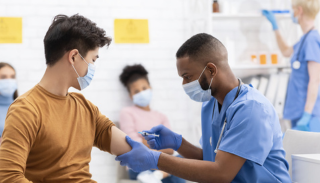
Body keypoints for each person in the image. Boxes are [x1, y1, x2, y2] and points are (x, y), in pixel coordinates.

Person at [115, 33, 291, 182]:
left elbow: (221, 173)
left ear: (211, 70)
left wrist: (157, 160)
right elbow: (210, 159)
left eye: (187, 76)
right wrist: (179, 143)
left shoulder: (252, 109)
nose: (183, 84)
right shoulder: (210, 104)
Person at [0, 14, 131, 182]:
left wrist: (163, 155)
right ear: (74, 57)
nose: (93, 67)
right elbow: (7, 178)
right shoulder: (26, 109)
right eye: (92, 60)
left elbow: (129, 147)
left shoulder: (85, 107)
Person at [119, 64, 185, 183]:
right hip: (140, 167)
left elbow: (170, 148)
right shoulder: (127, 113)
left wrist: (146, 142)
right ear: (130, 95)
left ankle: (157, 176)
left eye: (144, 88)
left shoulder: (161, 117)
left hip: (162, 167)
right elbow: (134, 145)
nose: (142, 93)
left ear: (150, 87)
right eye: (136, 91)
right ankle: (156, 175)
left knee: (184, 159)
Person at [262, 0, 320, 131]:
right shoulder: (305, 39)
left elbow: (315, 80)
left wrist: (307, 114)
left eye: (292, 9)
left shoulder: (312, 40)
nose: (291, 13)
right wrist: (275, 26)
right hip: (297, 112)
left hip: (308, 115)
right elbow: (286, 51)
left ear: (299, 11)